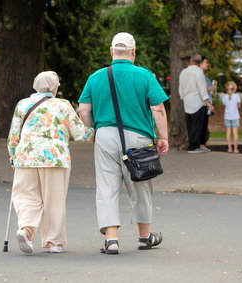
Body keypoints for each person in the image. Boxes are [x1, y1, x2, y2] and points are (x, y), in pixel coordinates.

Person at [78, 32, 169, 255]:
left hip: (105, 136)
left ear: (111, 52)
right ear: (133, 53)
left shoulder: (96, 77)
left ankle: (111, 240)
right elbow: (158, 109)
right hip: (138, 138)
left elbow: (83, 109)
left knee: (107, 186)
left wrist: (91, 131)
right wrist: (164, 136)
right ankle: (145, 236)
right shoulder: (144, 76)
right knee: (140, 184)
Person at [7, 71, 94, 254]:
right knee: (54, 200)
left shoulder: (23, 104)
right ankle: (54, 242)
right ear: (54, 87)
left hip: (26, 158)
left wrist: (13, 154)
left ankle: (27, 230)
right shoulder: (62, 105)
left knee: (26, 196)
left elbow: (14, 135)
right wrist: (94, 133)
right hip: (55, 157)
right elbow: (78, 132)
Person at [179, 54, 215, 153]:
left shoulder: (183, 72)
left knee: (190, 124)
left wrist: (183, 97)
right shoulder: (199, 72)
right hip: (198, 101)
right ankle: (194, 146)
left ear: (190, 61)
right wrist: (207, 102)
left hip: (187, 101)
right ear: (199, 63)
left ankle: (192, 144)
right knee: (198, 124)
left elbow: (180, 87)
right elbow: (202, 88)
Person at [199, 56, 217, 142]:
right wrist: (209, 88)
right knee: (201, 125)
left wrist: (212, 87)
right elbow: (200, 89)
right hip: (202, 104)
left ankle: (202, 143)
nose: (208, 64)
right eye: (206, 62)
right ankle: (200, 143)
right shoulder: (199, 75)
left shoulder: (204, 76)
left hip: (207, 104)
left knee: (204, 124)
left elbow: (208, 89)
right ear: (200, 63)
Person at [222, 81, 241, 153]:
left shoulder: (224, 97)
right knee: (235, 133)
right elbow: (238, 106)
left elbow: (224, 105)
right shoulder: (237, 96)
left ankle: (229, 148)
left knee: (228, 133)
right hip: (235, 117)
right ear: (234, 89)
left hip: (227, 117)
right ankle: (235, 149)